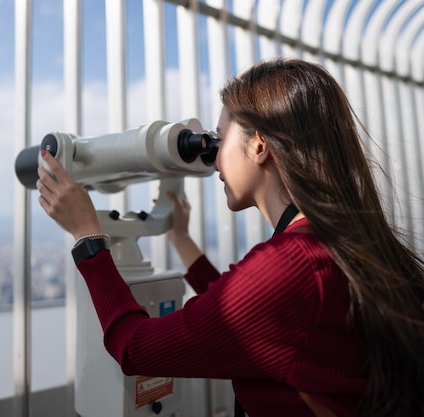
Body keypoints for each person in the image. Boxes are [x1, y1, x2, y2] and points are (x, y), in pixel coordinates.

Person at [35, 58, 424, 416]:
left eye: (220, 139)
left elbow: (134, 347)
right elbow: (243, 316)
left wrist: (87, 236)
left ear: (259, 144)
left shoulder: (289, 267)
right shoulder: (343, 244)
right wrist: (181, 239)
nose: (215, 158)